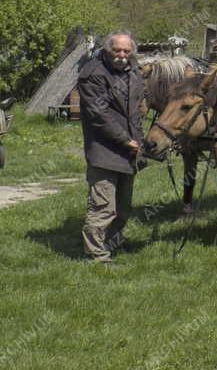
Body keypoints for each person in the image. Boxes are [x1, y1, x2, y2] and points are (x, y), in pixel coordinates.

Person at [78, 31, 144, 264]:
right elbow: (98, 115)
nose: (122, 55)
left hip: (129, 151)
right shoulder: (93, 74)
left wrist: (139, 140)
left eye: (126, 51)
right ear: (108, 50)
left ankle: (113, 241)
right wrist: (126, 140)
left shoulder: (133, 71)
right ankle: (97, 255)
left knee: (123, 208)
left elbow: (135, 107)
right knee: (103, 207)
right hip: (104, 150)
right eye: (117, 50)